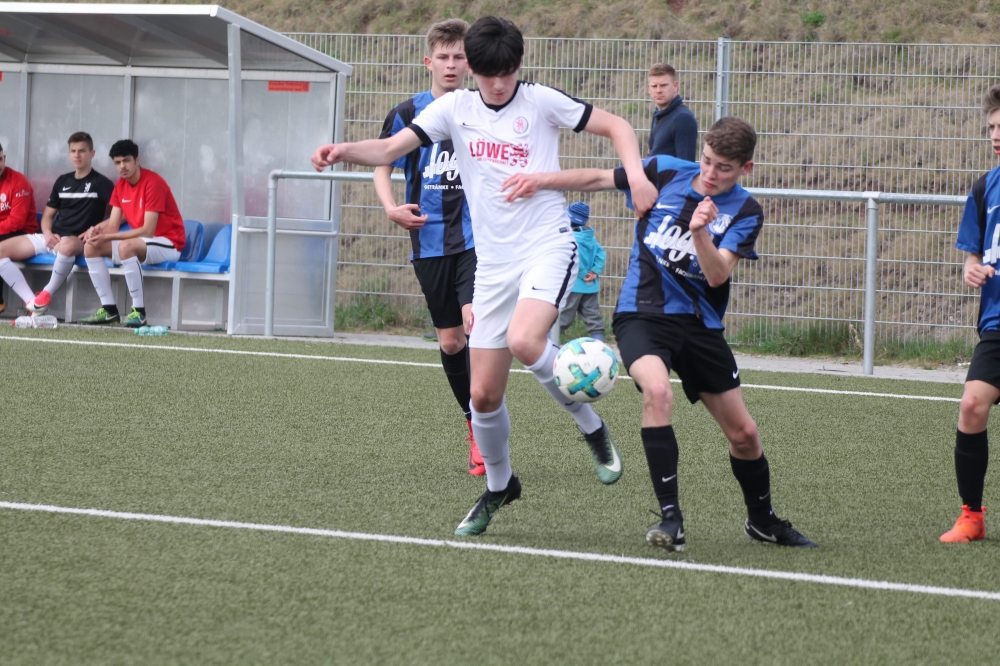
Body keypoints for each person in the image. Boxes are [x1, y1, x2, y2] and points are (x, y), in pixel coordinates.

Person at [312, 16, 658, 536]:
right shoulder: (454, 109)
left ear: (519, 65)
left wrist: (636, 175)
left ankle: (591, 426)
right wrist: (342, 151)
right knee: (483, 398)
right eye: (488, 74)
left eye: (507, 73)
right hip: (493, 264)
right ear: (473, 69)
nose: (498, 84)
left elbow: (619, 127)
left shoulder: (540, 102)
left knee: (526, 340)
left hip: (546, 244)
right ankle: (500, 485)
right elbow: (387, 150)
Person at [505, 117, 817, 552]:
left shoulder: (746, 211)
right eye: (707, 160)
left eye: (724, 168)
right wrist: (538, 180)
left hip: (700, 325)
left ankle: (763, 521)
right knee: (657, 391)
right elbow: (598, 178)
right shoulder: (667, 171)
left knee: (744, 435)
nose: (711, 173)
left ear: (745, 169)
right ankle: (671, 520)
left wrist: (699, 232)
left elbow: (717, 275)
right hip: (642, 315)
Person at [373, 19, 485, 476]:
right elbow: (382, 163)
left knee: (477, 324)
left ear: (470, 63)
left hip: (478, 240)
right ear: (429, 62)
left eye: (459, 57)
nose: (452, 64)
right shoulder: (407, 112)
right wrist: (391, 208)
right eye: (444, 56)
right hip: (429, 242)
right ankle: (474, 423)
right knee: (451, 341)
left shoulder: (483, 108)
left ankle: (488, 418)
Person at [941, 84, 1000, 543]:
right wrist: (971, 269)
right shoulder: (983, 188)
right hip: (996, 326)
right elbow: (972, 255)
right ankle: (972, 517)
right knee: (971, 405)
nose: (996, 135)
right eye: (992, 127)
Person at [0, 132, 114, 316]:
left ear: (92, 154)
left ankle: (46, 294)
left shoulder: (101, 183)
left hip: (77, 240)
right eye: (73, 151)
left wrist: (97, 228)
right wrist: (47, 233)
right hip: (52, 237)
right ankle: (32, 304)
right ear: (69, 154)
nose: (77, 155)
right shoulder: (62, 181)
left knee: (67, 246)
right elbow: (47, 216)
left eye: (82, 151)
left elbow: (122, 213)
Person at [79, 139, 186, 327]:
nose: (122, 166)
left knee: (126, 246)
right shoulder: (120, 186)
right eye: (117, 162)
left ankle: (139, 312)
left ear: (137, 160)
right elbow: (112, 226)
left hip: (169, 243)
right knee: (90, 247)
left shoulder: (153, 183)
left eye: (126, 160)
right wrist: (96, 232)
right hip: (143, 243)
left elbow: (147, 231)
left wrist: (107, 236)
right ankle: (109, 310)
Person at [557, 201, 606, 342]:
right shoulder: (590, 237)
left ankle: (548, 344)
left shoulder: (568, 238)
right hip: (590, 287)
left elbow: (574, 258)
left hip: (573, 286)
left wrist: (583, 274)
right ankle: (600, 343)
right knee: (593, 319)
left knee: (562, 319)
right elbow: (601, 254)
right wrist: (595, 271)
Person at [0, 143, 38, 314]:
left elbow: (17, 221)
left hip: (24, 234)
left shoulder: (18, 180)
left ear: (4, 158)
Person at [647, 63, 698, 161]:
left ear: (675, 86)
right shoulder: (659, 113)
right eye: (654, 86)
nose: (658, 90)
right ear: (649, 89)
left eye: (663, 85)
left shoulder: (683, 119)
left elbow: (685, 164)